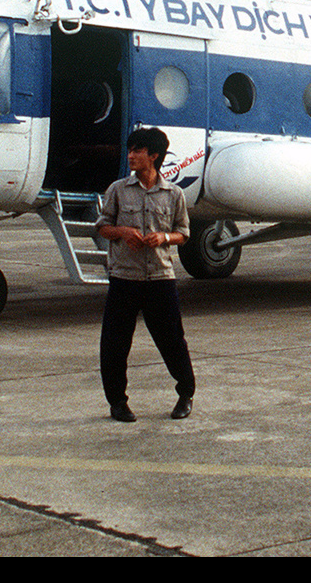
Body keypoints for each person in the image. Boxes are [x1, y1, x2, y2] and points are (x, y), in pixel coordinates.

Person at [95, 126, 195, 423]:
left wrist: (163, 238)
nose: (131, 155)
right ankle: (117, 402)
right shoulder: (117, 190)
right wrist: (122, 231)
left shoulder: (173, 194)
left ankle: (186, 393)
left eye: (137, 151)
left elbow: (184, 234)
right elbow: (101, 227)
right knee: (114, 343)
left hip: (160, 279)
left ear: (154, 156)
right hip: (125, 278)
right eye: (130, 150)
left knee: (172, 340)